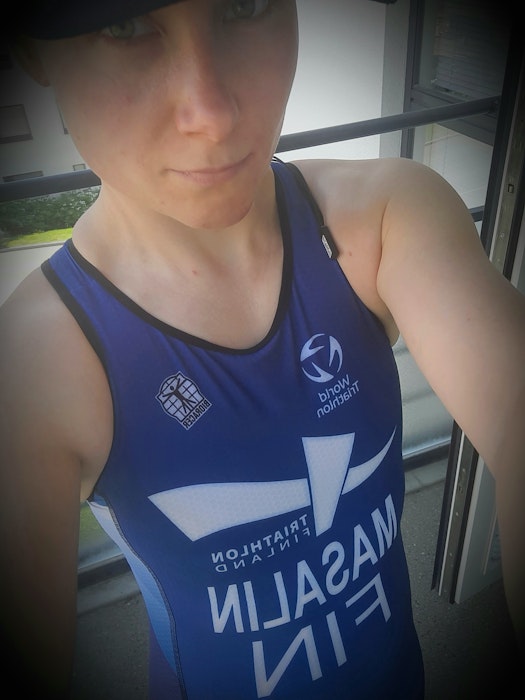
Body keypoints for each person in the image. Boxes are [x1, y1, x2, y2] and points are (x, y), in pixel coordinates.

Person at [0, 1, 523, 697]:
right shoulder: (37, 358)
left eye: (244, 5)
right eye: (124, 27)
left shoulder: (382, 218)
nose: (213, 113)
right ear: (32, 50)